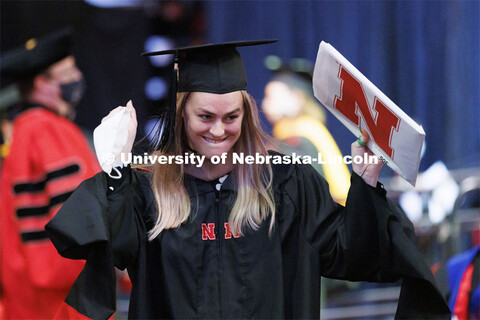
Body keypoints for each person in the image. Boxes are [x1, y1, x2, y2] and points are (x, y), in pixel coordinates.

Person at [46, 40, 450, 319]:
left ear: (247, 113)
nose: (218, 130)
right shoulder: (151, 192)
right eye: (205, 116)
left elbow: (352, 252)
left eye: (231, 117)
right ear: (182, 114)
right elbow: (100, 246)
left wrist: (364, 181)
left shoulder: (286, 184)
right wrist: (115, 173)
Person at [0, 28, 100, 319]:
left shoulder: (22, 131)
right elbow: (78, 221)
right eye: (67, 72)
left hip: (25, 297)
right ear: (41, 82)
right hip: (62, 301)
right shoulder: (50, 130)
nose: (76, 77)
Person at [262, 59, 350, 204]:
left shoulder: (300, 137)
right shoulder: (308, 129)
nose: (265, 104)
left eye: (272, 97)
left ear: (297, 99)